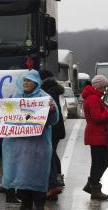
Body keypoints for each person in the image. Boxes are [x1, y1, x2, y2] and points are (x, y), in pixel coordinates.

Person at [0, 69, 58, 210]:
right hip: (19, 149)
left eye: (29, 80)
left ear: (36, 82)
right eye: (24, 80)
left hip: (38, 148)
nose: (25, 83)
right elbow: (5, 117)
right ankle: (25, 204)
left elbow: (54, 121)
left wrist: (52, 111)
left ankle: (40, 205)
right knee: (22, 181)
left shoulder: (45, 98)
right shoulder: (16, 97)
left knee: (37, 180)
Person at [81, 74, 108, 200]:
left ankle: (92, 185)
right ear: (99, 86)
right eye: (104, 87)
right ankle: (93, 186)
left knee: (101, 161)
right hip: (96, 134)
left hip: (97, 134)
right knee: (100, 161)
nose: (105, 90)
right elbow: (97, 117)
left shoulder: (93, 97)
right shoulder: (93, 99)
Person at [39, 70, 66, 199]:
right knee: (52, 153)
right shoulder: (54, 89)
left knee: (49, 155)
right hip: (57, 128)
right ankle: (57, 179)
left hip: (52, 128)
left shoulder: (47, 92)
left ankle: (54, 183)